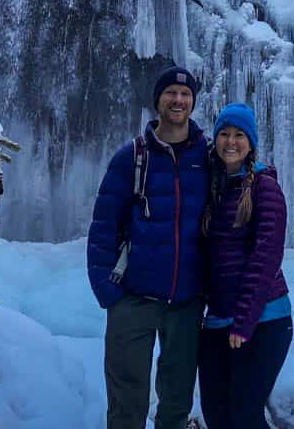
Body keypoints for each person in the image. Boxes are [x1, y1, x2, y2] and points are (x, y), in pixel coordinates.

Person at [86, 66, 211, 429]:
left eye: (185, 94)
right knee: (126, 403)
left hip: (186, 302)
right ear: (158, 100)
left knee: (176, 402)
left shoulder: (206, 157)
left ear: (192, 102)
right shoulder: (132, 157)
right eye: (170, 93)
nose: (178, 100)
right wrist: (107, 292)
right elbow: (103, 225)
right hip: (133, 298)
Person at [197, 103, 292, 429]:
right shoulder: (211, 187)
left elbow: (266, 257)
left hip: (263, 320)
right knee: (217, 415)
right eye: (224, 133)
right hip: (217, 321)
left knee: (245, 416)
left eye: (239, 134)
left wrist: (244, 321)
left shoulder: (265, 188)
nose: (230, 141)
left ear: (251, 143)